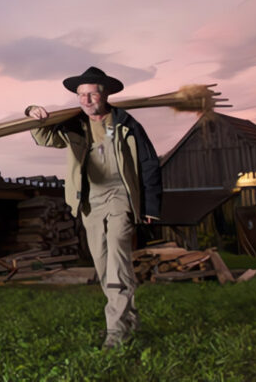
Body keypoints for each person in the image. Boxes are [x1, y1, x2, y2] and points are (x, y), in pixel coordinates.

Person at [26, 67, 161, 349]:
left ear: (106, 94)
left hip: (121, 197)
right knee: (103, 264)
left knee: (116, 259)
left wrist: (151, 205)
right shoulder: (74, 125)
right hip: (90, 200)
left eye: (92, 93)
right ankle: (130, 320)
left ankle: (116, 331)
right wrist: (32, 113)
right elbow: (44, 138)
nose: (86, 100)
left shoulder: (127, 123)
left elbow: (149, 163)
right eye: (81, 95)